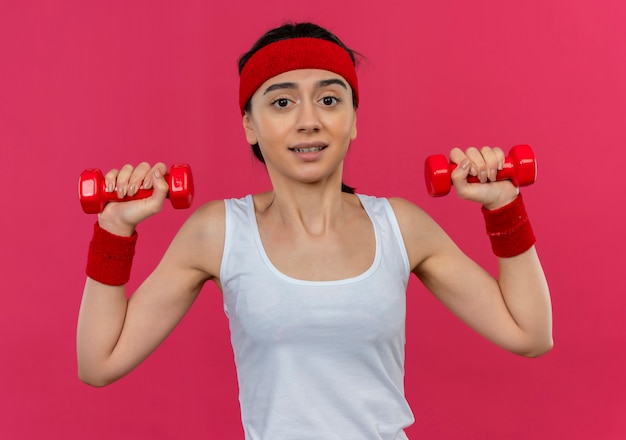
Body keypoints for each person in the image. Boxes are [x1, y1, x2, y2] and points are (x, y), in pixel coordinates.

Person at [77, 22, 553, 439]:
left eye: (329, 99)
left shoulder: (400, 227)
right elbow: (99, 363)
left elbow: (530, 333)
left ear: (353, 121)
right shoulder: (218, 232)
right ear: (249, 124)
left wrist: (503, 206)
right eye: (282, 102)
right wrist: (115, 228)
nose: (309, 120)